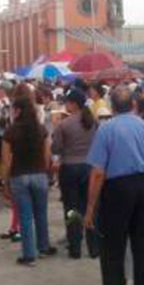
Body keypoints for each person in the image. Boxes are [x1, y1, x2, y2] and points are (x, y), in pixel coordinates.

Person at [84, 85, 144, 285]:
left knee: (112, 248)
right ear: (133, 105)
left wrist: (90, 207)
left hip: (117, 190)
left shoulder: (106, 129)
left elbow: (98, 173)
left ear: (112, 106)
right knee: (142, 245)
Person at [1, 95, 56, 266]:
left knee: (25, 217)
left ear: (17, 111)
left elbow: (5, 159)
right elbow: (47, 154)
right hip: (39, 174)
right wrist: (45, 171)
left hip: (19, 175)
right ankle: (44, 247)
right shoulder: (40, 129)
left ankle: (29, 255)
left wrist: (5, 181)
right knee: (41, 213)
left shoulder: (11, 131)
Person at [51, 88, 99, 259]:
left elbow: (55, 148)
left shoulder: (65, 124)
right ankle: (94, 247)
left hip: (70, 168)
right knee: (90, 205)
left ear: (73, 104)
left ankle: (75, 247)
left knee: (72, 208)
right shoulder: (93, 121)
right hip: (90, 167)